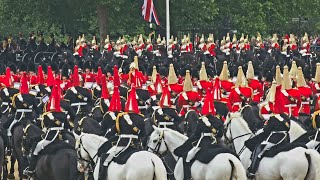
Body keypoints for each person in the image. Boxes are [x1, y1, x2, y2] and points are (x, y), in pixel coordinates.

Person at [174, 89, 224, 180]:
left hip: (204, 142)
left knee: (188, 158)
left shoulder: (201, 120)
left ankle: (188, 178)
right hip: (216, 143)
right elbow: (220, 134)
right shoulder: (218, 120)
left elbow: (197, 134)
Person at [98, 85, 145, 180]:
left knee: (105, 159)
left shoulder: (121, 117)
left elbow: (115, 131)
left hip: (123, 143)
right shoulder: (141, 117)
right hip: (136, 144)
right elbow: (143, 134)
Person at [24, 84, 67, 175]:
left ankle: (31, 169)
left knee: (36, 150)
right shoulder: (62, 112)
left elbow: (43, 120)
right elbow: (68, 126)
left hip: (51, 135)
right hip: (63, 135)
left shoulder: (47, 103)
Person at [245, 113, 290, 178]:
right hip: (285, 137)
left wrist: (262, 128)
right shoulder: (285, 116)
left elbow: (267, 130)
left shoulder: (273, 118)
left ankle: (252, 171)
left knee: (258, 149)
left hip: (275, 138)